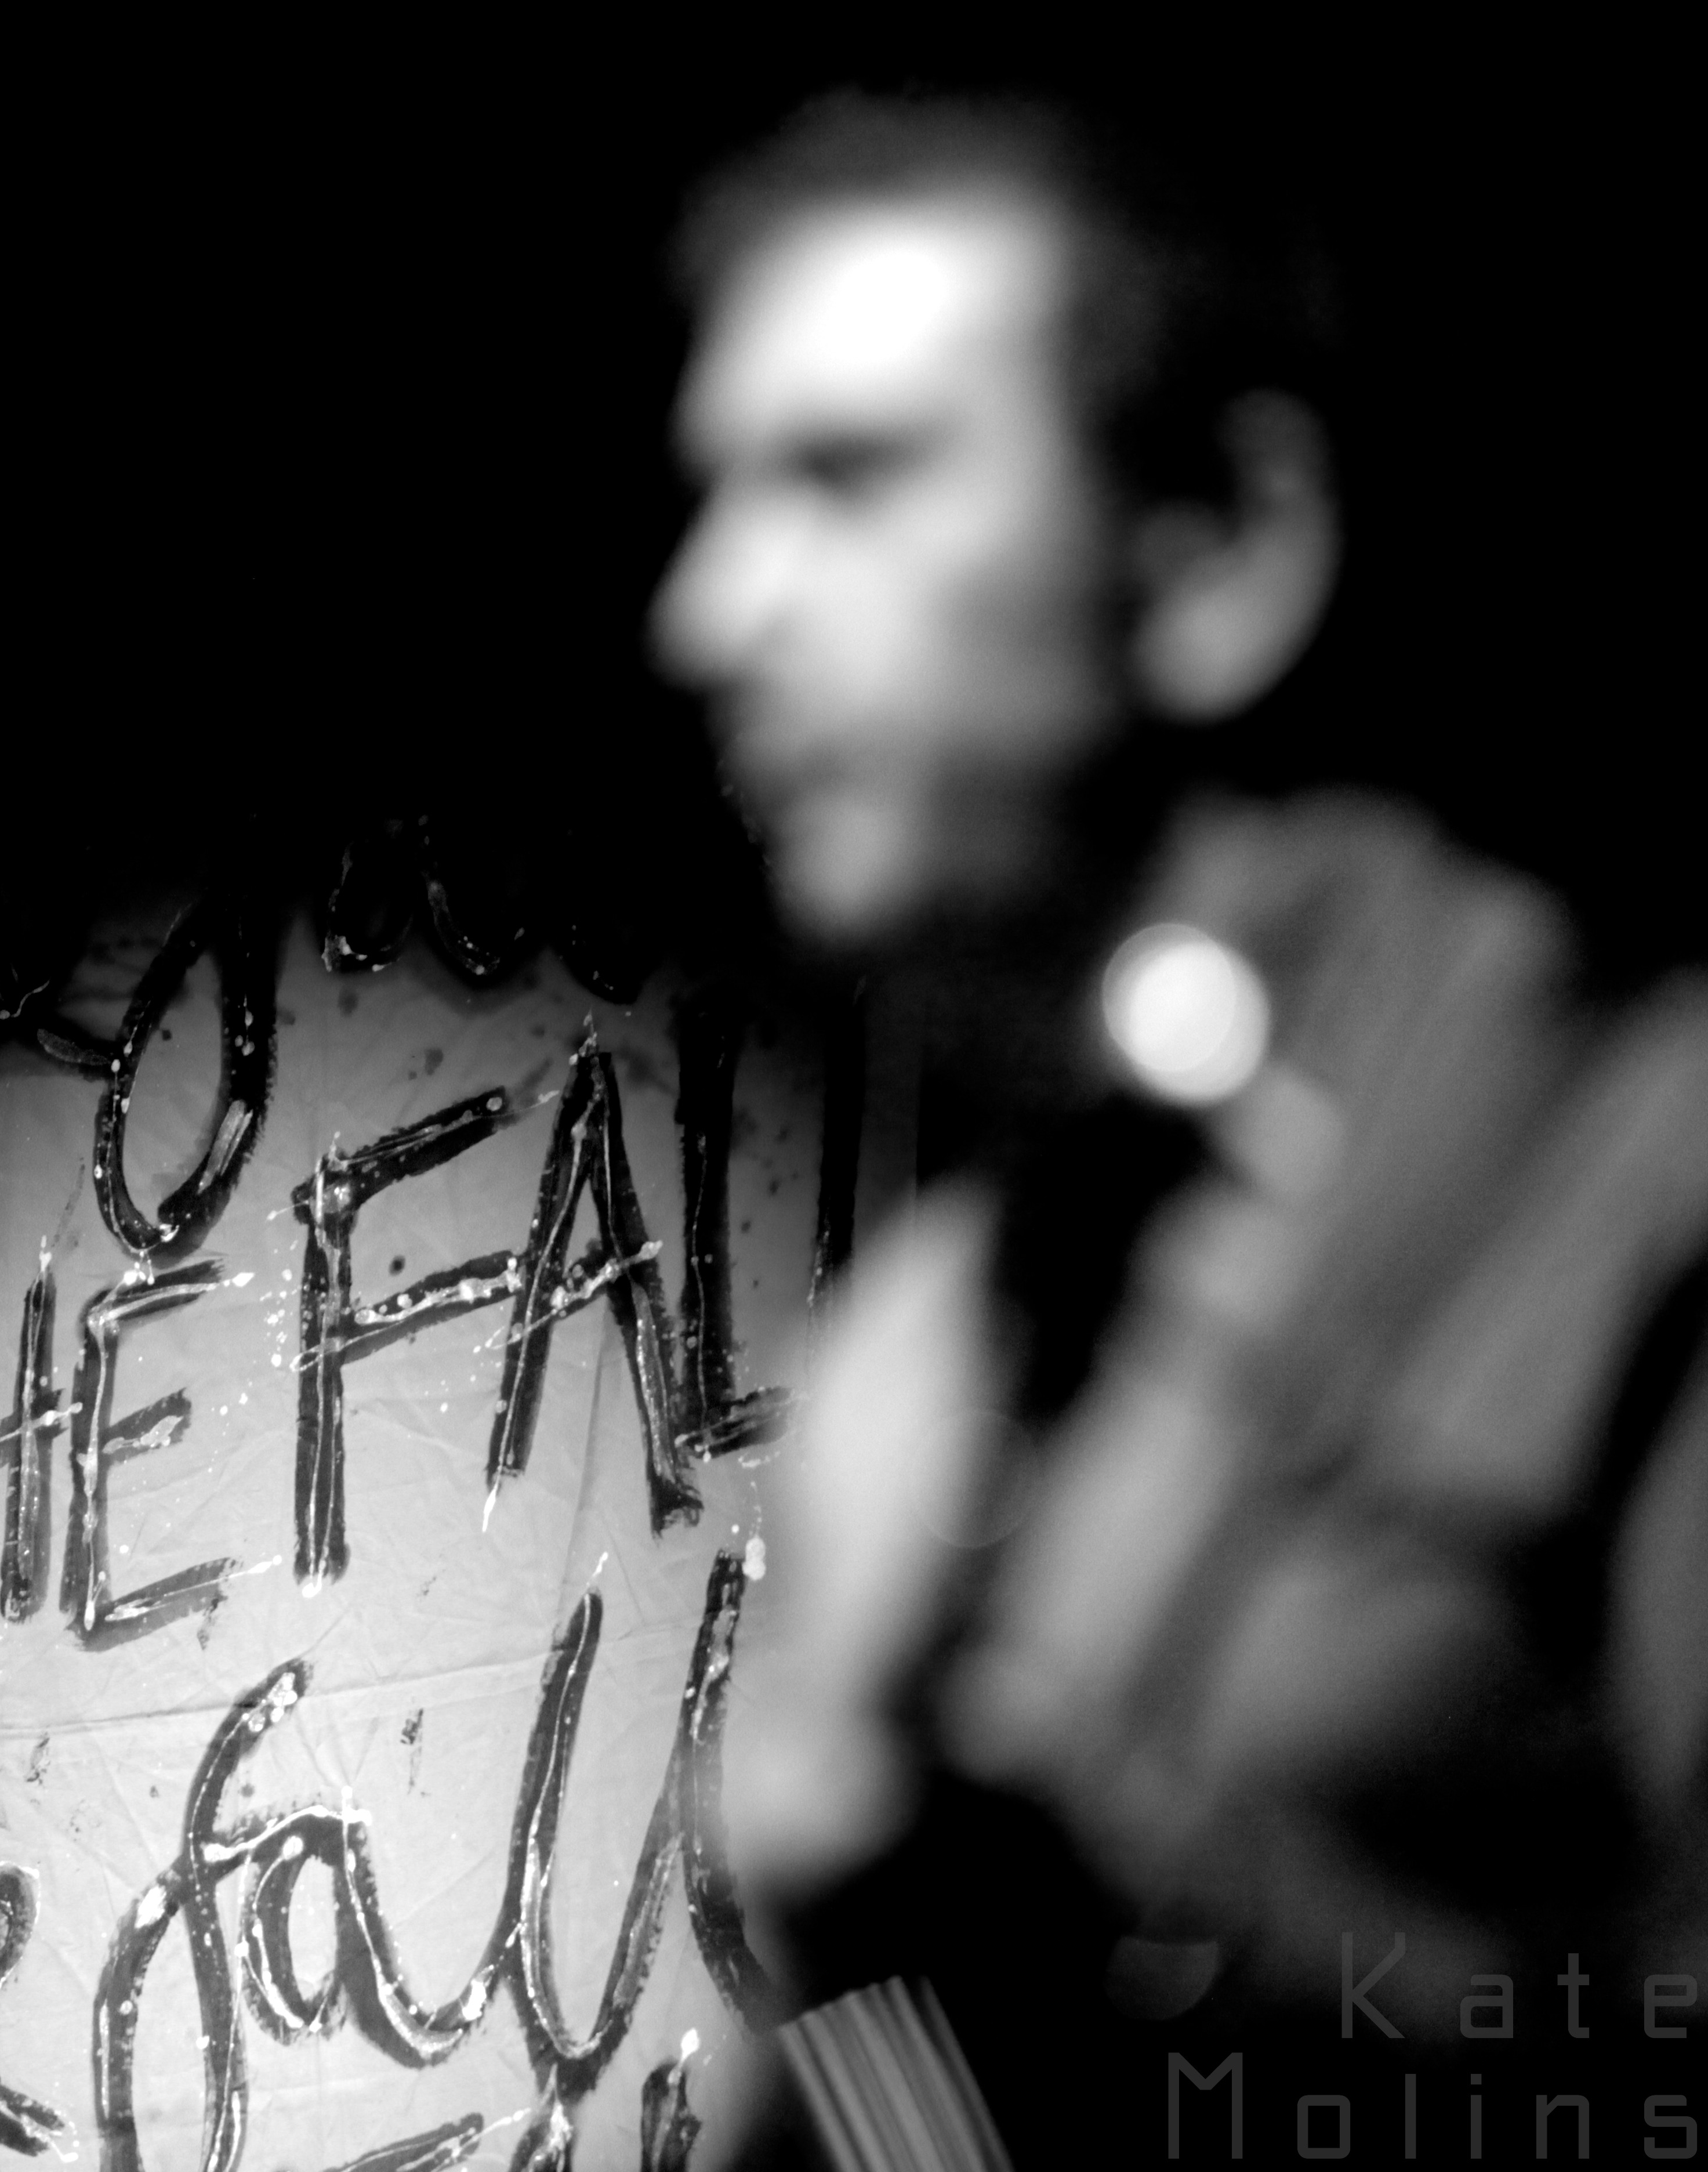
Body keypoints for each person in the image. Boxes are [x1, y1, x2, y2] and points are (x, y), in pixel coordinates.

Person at [649, 91, 1706, 2164]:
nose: (711, 612)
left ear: (1224, 540)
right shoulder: (914, 1355)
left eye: (854, 474)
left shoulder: (1634, 1158)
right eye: (721, 490)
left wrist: (1156, 1925)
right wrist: (877, 1984)